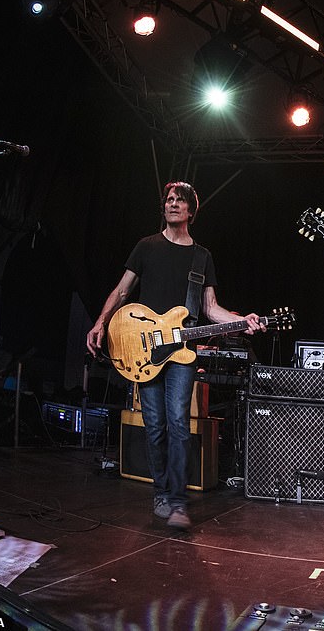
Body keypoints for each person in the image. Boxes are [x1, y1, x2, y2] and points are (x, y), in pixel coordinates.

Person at [86, 181, 264, 530]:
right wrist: (100, 323)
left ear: (191, 211)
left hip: (183, 353)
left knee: (179, 426)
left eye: (179, 201)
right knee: (155, 427)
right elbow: (122, 291)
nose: (171, 204)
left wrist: (243, 321)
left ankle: (179, 503)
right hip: (144, 349)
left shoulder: (202, 257)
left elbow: (210, 309)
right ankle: (161, 494)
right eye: (168, 199)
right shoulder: (146, 246)